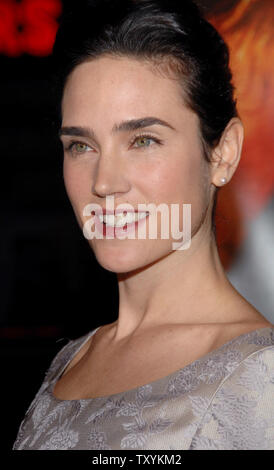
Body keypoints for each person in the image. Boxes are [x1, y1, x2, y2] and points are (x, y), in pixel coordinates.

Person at [13, 0, 274, 450]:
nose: (104, 183)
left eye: (143, 140)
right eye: (80, 145)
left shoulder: (258, 377)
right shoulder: (69, 360)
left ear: (222, 153)